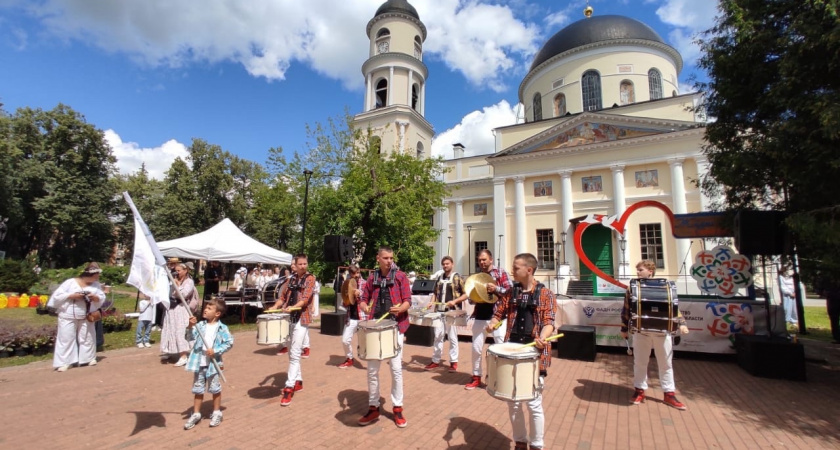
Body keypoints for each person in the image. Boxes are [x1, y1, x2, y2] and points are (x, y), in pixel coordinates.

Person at [486, 253, 557, 450]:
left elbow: (549, 321)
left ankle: (536, 444)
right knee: (513, 402)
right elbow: (498, 313)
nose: (512, 271)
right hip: (512, 352)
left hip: (534, 355)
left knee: (533, 404)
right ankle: (520, 441)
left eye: (516, 267)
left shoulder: (546, 294)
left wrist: (543, 337)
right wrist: (493, 324)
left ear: (529, 270)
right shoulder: (511, 292)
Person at [620, 260, 689, 410]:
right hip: (641, 332)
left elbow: (673, 306)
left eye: (641, 270)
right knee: (640, 362)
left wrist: (681, 323)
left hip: (662, 333)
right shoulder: (632, 288)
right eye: (637, 270)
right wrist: (624, 328)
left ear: (650, 271)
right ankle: (639, 390)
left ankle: (669, 394)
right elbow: (626, 309)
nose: (637, 272)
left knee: (666, 364)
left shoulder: (664, 286)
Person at [357, 246, 411, 428]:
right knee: (372, 370)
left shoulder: (401, 276)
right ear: (377, 258)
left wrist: (401, 308)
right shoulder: (372, 277)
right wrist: (364, 305)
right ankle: (374, 408)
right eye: (386, 258)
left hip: (395, 327)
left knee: (395, 369)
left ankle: (397, 408)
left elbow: (407, 301)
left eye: (391, 258)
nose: (389, 261)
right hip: (376, 326)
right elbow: (363, 297)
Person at [183, 298, 234, 430]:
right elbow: (189, 337)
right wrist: (190, 326)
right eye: (205, 307)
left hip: (213, 364)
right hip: (199, 363)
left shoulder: (222, 328)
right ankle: (196, 413)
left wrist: (216, 350)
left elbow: (229, 342)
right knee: (198, 389)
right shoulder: (200, 326)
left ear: (217, 313)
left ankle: (217, 412)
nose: (205, 310)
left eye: (209, 308)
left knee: (215, 388)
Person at [274, 254, 316, 406]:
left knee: (295, 352)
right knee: (292, 352)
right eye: (301, 264)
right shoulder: (290, 280)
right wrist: (275, 306)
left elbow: (305, 298)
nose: (304, 266)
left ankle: (289, 387)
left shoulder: (311, 278)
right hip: (290, 318)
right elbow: (283, 298)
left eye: (305, 263)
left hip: (302, 318)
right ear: (295, 265)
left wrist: (293, 307)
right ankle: (298, 381)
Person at [47, 262, 106, 372]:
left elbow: (101, 297)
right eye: (95, 277)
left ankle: (88, 358)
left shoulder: (96, 285)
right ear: (88, 276)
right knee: (66, 337)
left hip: (87, 315)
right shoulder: (70, 283)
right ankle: (65, 362)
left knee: (87, 336)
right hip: (68, 314)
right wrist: (71, 295)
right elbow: (57, 296)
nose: (96, 279)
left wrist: (95, 297)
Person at [466, 249, 512, 390]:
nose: (482, 262)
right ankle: (476, 377)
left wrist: (496, 288)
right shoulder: (477, 277)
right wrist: (473, 297)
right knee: (476, 349)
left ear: (491, 260)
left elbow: (510, 291)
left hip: (498, 316)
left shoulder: (500, 273)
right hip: (480, 316)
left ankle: (501, 379)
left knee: (500, 347)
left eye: (484, 259)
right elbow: (471, 299)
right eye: (480, 260)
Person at [424, 256, 467, 372]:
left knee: (452, 337)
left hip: (452, 312)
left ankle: (454, 361)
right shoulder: (439, 277)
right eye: (443, 264)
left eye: (447, 264)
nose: (445, 266)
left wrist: (454, 301)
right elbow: (435, 293)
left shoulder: (457, 277)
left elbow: (466, 294)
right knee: (438, 336)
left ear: (452, 264)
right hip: (439, 311)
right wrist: (431, 302)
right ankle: (436, 360)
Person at [161, 263, 199, 367]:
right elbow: (169, 293)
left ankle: (183, 356)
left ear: (185, 270)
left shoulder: (189, 282)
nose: (177, 272)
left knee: (180, 331)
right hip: (171, 308)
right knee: (169, 329)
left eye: (179, 270)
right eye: (176, 270)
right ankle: (169, 350)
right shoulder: (173, 280)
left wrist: (177, 286)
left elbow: (184, 294)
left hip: (181, 309)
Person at [338, 265, 365, 368]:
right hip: (351, 317)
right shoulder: (347, 283)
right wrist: (346, 298)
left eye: (357, 273)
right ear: (350, 273)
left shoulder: (365, 283)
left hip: (363, 317)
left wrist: (360, 293)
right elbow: (344, 302)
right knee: (345, 340)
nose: (356, 275)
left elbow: (369, 297)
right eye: (353, 274)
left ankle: (372, 363)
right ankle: (349, 358)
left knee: (366, 343)